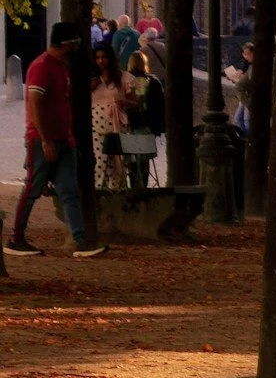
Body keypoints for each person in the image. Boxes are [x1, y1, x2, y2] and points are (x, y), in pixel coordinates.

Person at [7, 22, 106, 258]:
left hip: (63, 138)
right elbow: (35, 103)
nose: (76, 48)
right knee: (32, 187)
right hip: (44, 140)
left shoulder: (61, 67)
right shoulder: (42, 67)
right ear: (65, 43)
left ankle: (80, 240)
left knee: (69, 190)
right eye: (74, 44)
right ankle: (16, 238)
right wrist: (45, 139)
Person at [120, 52, 163, 188]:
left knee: (132, 160)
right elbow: (160, 106)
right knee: (144, 160)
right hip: (147, 126)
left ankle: (134, 187)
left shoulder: (127, 81)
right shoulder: (153, 82)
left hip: (132, 124)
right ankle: (143, 187)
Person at [91, 43, 128, 191]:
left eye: (104, 57)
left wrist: (123, 102)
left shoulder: (123, 77)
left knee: (118, 162)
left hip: (117, 124)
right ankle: (99, 190)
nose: (101, 61)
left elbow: (136, 102)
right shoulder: (92, 78)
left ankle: (117, 191)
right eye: (98, 57)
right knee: (100, 160)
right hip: (96, 124)